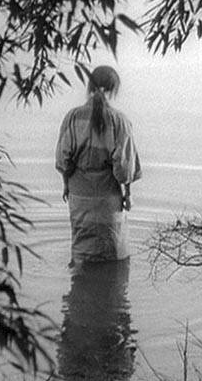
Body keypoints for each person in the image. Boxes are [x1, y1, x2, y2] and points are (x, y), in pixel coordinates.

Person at [55, 65, 141, 267]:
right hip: (107, 196)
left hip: (79, 194)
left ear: (89, 87)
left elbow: (63, 159)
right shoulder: (119, 121)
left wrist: (66, 185)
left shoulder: (72, 117)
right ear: (114, 90)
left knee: (82, 251)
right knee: (112, 253)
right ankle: (109, 284)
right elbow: (124, 167)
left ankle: (80, 282)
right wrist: (128, 194)